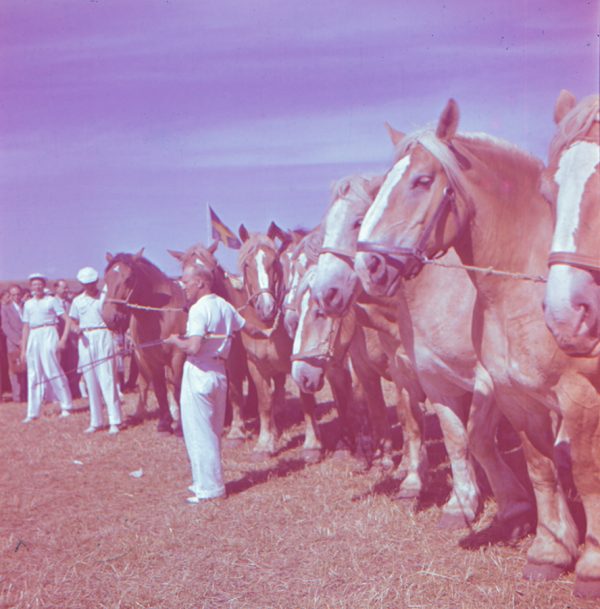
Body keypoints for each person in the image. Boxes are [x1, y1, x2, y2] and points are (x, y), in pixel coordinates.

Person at [165, 264, 245, 504]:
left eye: (186, 282)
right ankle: (204, 482)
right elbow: (246, 327)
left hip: (199, 371)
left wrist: (174, 341)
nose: (184, 287)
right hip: (219, 372)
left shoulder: (199, 309)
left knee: (199, 433)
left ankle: (210, 489)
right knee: (212, 430)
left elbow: (193, 347)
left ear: (200, 282)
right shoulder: (224, 305)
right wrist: (268, 331)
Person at [69, 267, 122, 434]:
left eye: (92, 283)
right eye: (86, 284)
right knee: (90, 380)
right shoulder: (77, 301)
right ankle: (96, 421)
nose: (89, 287)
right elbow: (72, 321)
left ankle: (115, 420)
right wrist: (76, 329)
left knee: (107, 377)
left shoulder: (105, 297)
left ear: (96, 282)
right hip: (85, 339)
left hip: (103, 335)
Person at [21, 273, 73, 422]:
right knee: (33, 374)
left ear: (44, 286)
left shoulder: (52, 301)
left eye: (39, 284)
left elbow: (67, 320)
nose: (37, 287)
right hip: (34, 336)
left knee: (53, 370)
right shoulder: (28, 304)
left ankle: (66, 405)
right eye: (34, 284)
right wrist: (24, 349)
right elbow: (25, 327)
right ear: (30, 287)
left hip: (49, 333)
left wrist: (62, 339)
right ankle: (32, 412)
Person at [1, 285, 27, 402]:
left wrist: (25, 340)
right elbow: (6, 327)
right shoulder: (5, 308)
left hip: (26, 342)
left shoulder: (26, 306)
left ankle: (26, 394)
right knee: (15, 369)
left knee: (26, 368)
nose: (16, 297)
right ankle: (17, 396)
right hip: (13, 343)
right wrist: (18, 341)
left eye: (18, 294)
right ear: (10, 296)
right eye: (13, 295)